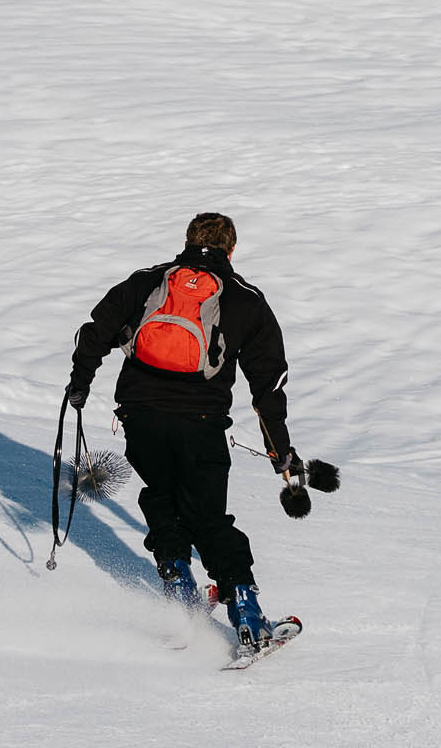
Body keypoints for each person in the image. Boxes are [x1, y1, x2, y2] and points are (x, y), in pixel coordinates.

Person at [64, 212, 301, 650]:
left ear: (189, 242)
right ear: (232, 250)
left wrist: (79, 387)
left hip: (139, 416)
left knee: (161, 494)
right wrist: (280, 452)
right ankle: (246, 612)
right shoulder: (245, 300)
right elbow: (268, 384)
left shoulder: (148, 282)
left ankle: (178, 591)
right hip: (201, 422)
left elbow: (93, 333)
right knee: (207, 518)